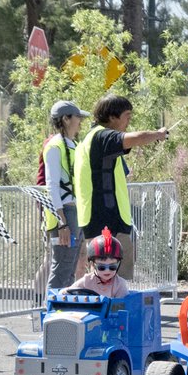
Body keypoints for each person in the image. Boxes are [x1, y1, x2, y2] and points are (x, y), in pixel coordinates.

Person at [73, 94, 169, 280]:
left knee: (105, 275)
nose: (129, 120)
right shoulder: (102, 136)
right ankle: (116, 307)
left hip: (100, 217)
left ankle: (111, 306)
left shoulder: (93, 138)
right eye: (127, 115)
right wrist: (158, 134)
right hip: (105, 219)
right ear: (112, 117)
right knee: (115, 274)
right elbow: (133, 138)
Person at [41, 100, 89, 290]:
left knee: (69, 269)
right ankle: (52, 313)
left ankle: (63, 311)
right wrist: (62, 222)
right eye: (78, 117)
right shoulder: (55, 146)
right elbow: (51, 186)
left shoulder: (73, 144)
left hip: (75, 212)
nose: (80, 122)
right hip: (65, 214)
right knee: (62, 268)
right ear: (66, 119)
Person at [67, 227, 129, 298]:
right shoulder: (87, 281)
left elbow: (124, 304)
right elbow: (67, 292)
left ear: (118, 265)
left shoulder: (119, 284)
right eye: (101, 267)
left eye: (112, 267)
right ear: (92, 264)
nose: (107, 270)